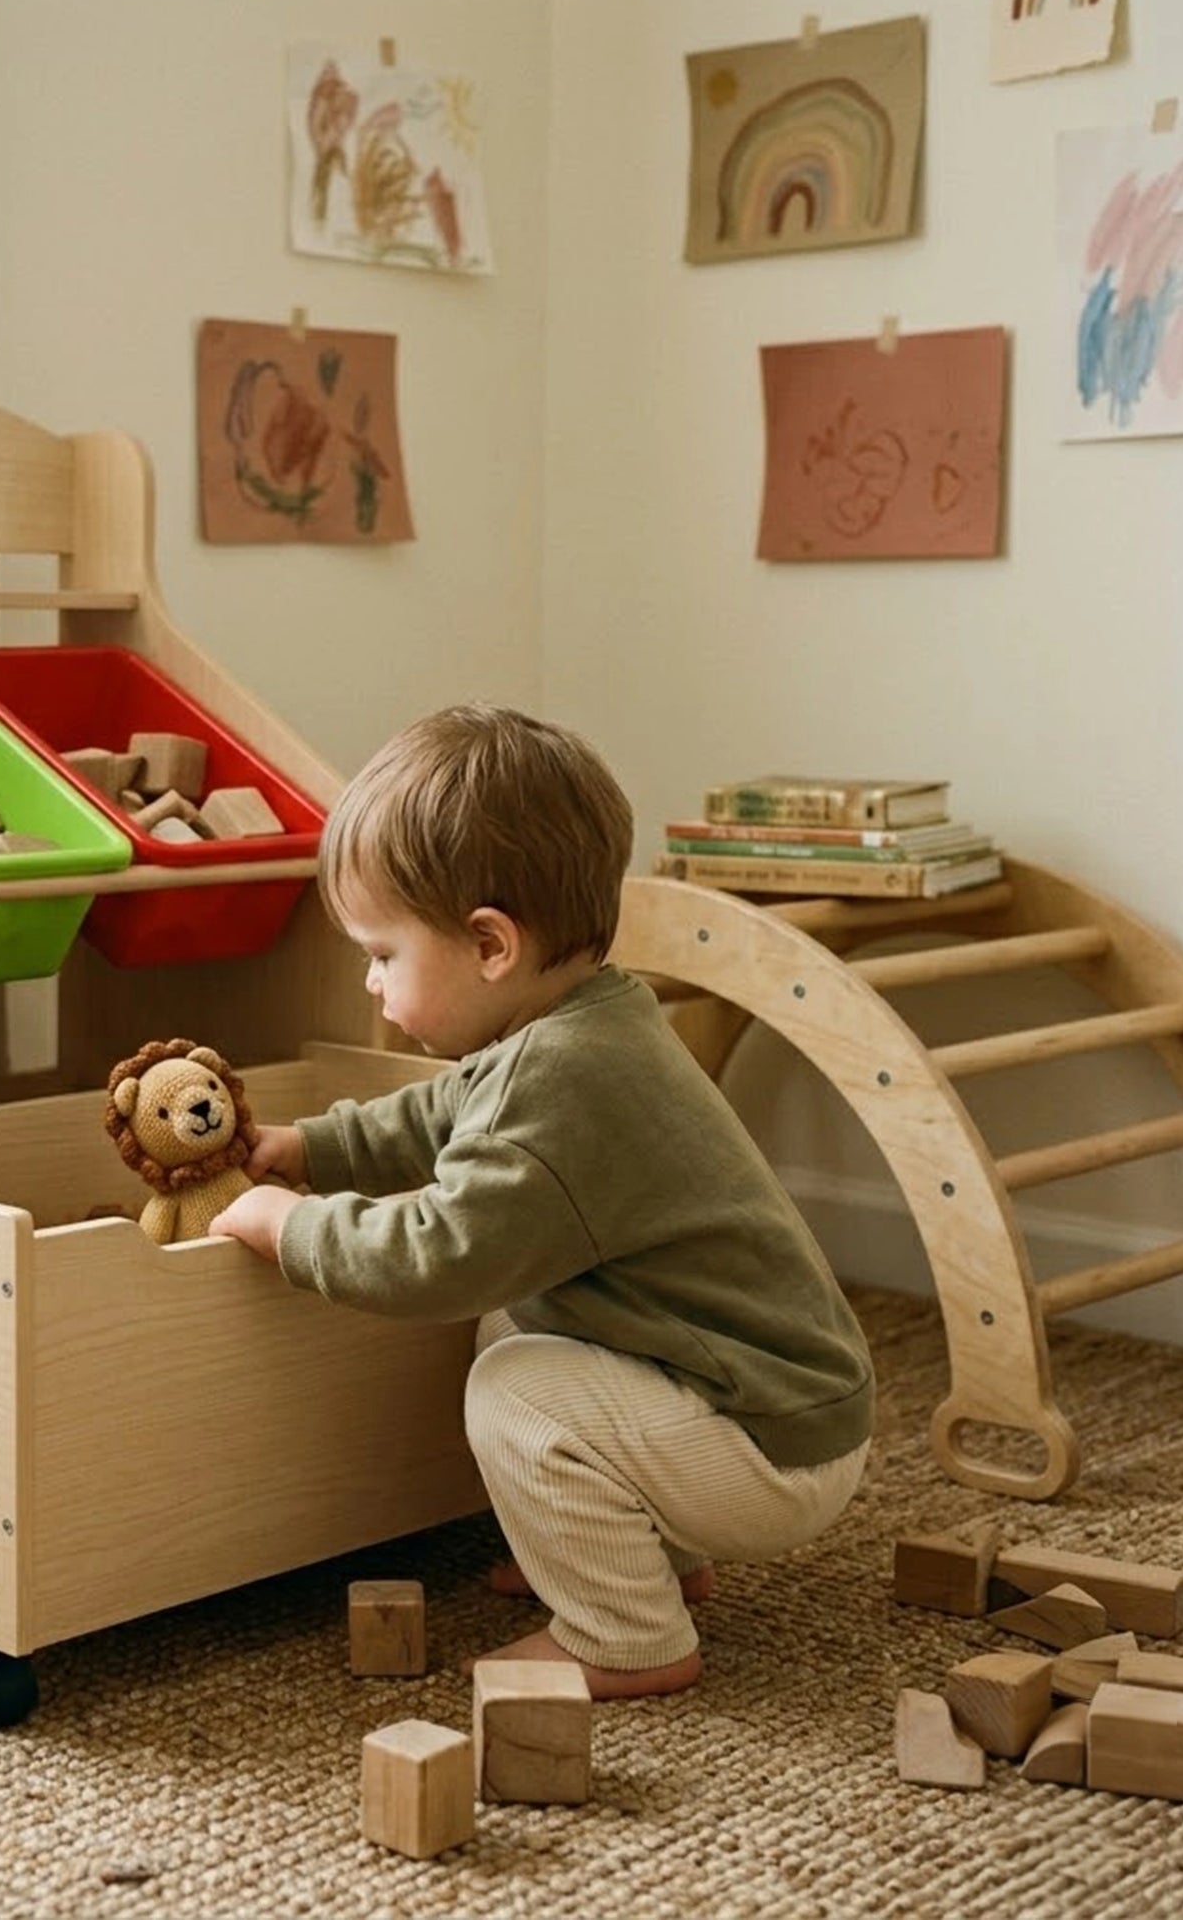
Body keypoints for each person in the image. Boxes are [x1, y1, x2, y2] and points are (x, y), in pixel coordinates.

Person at [209, 704, 875, 1698]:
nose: (369, 980)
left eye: (384, 953)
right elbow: (444, 1112)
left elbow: (439, 1256)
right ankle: (629, 1545)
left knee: (514, 1388)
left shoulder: (559, 1083)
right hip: (758, 1398)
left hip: (764, 1440)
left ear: (488, 945)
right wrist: (312, 1147)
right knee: (516, 1324)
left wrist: (290, 1226)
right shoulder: (580, 1022)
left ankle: (625, 1631)